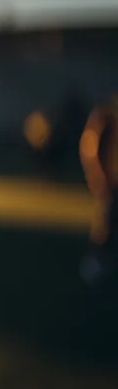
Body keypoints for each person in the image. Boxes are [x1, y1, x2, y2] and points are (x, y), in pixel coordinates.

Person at [80, 95, 118, 286]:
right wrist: (99, 175)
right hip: (113, 180)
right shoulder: (109, 113)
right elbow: (93, 145)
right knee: (107, 224)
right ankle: (96, 265)